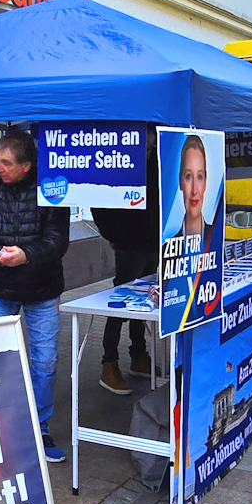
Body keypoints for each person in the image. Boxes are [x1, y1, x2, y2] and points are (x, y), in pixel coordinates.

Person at [0, 128, 72, 461]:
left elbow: (58, 240)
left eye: (6, 162)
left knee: (44, 362)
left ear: (27, 166)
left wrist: (26, 255)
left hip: (43, 290)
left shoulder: (52, 190)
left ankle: (38, 429)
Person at [89, 144, 159, 394]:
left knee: (142, 301)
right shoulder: (121, 158)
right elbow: (98, 200)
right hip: (129, 244)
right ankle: (109, 363)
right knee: (120, 303)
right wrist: (115, 236)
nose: (150, 138)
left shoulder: (158, 158)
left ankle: (138, 355)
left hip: (153, 243)